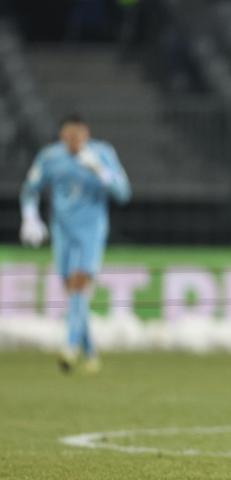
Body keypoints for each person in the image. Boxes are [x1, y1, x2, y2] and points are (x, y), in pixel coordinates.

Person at [19, 114, 131, 373]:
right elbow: (30, 189)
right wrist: (29, 216)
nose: (73, 141)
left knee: (80, 283)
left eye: (78, 136)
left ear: (86, 134)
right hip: (63, 231)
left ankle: (70, 347)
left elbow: (124, 193)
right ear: (62, 136)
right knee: (72, 292)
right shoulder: (50, 157)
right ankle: (90, 352)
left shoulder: (102, 153)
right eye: (69, 136)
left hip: (91, 230)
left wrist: (101, 172)